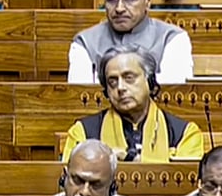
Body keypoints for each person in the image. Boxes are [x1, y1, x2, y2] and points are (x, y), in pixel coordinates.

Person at [62, 45, 204, 163]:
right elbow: (70, 180)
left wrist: (130, 159)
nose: (120, 88)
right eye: (112, 82)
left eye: (129, 78)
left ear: (150, 82)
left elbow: (188, 185)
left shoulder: (184, 133)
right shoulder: (83, 132)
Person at [69, 0, 193, 84]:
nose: (119, 8)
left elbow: (172, 93)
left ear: (148, 0)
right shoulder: (84, 42)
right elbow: (79, 97)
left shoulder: (172, 39)